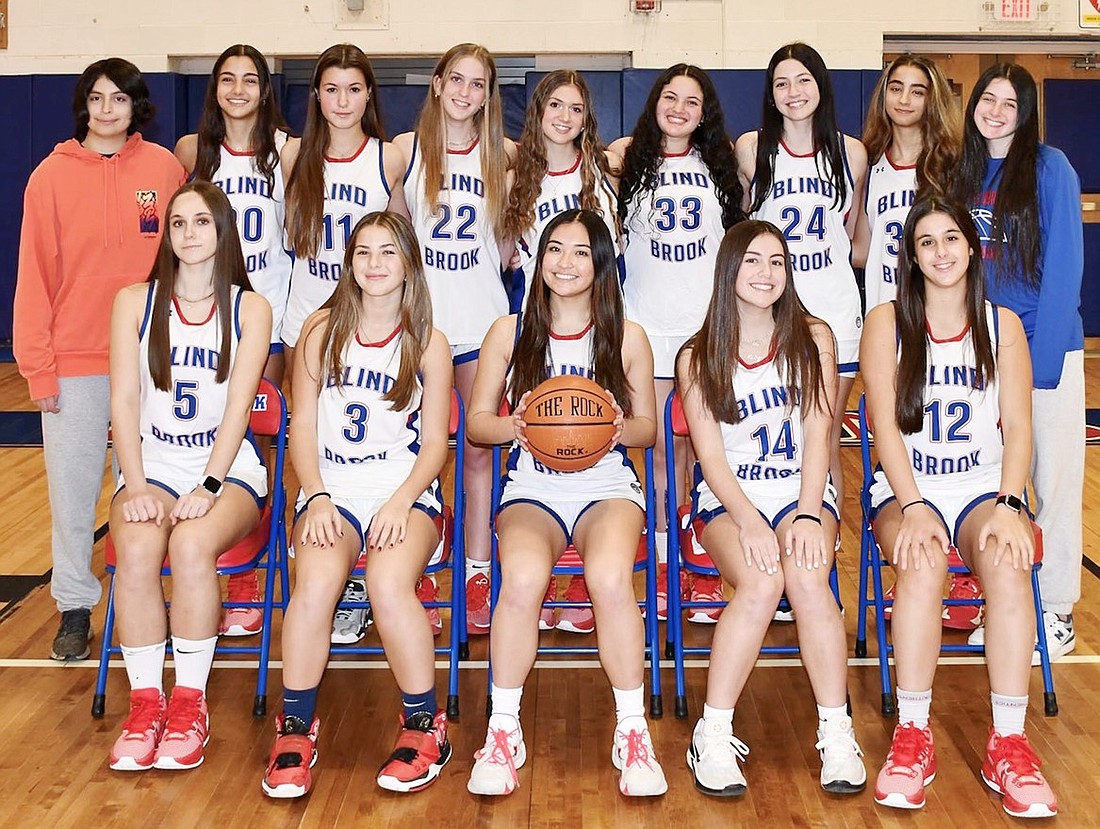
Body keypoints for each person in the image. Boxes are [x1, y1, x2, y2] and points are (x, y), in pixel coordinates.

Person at [862, 196, 1056, 818]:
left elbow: (1019, 428)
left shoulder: (1003, 327)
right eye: (926, 243)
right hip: (907, 486)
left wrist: (1009, 501)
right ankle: (913, 736)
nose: (941, 252)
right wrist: (913, 502)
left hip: (980, 487)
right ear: (912, 258)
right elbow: (886, 429)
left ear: (972, 248)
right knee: (921, 561)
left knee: (1006, 561)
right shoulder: (887, 323)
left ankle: (1009, 741)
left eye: (951, 239)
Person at [465, 209, 666, 797]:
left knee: (607, 578)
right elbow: (478, 423)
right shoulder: (510, 331)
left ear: (602, 263)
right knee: (522, 578)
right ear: (538, 258)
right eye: (555, 249)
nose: (566, 262)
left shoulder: (627, 335)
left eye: (582, 252)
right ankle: (502, 729)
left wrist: (608, 423)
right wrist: (517, 427)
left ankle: (633, 731)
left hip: (606, 485)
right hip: (533, 483)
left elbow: (648, 430)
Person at [261, 212, 453, 798]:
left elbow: (437, 444)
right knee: (315, 587)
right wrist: (314, 496)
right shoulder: (320, 332)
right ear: (349, 264)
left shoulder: (429, 342)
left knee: (388, 586)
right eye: (363, 252)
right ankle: (295, 726)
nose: (374, 263)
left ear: (408, 266)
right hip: (333, 490)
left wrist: (400, 502)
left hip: (404, 489)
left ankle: (426, 724)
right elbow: (301, 432)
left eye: (388, 252)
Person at [676, 220, 865, 797]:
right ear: (728, 269)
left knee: (808, 579)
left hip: (799, 491)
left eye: (777, 262)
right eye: (752, 261)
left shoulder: (816, 338)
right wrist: (751, 521)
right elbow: (708, 459)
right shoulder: (697, 353)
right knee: (761, 582)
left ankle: (836, 730)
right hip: (731, 498)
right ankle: (712, 733)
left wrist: (809, 512)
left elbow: (819, 435)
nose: (765, 273)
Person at [13, 57, 186, 661]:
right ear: (83, 106)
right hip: (75, 359)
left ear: (137, 106)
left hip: (149, 358)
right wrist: (39, 365)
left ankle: (144, 595)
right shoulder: (50, 176)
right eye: (96, 98)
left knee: (146, 482)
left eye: (119, 99)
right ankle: (75, 605)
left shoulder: (164, 169)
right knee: (73, 490)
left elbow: (182, 258)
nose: (107, 109)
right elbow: (33, 275)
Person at [106, 182, 271, 772]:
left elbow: (239, 409)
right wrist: (136, 483)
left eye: (202, 222)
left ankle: (189, 704)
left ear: (223, 230)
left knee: (193, 544)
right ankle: (146, 703)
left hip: (225, 472)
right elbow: (123, 401)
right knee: (135, 548)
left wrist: (207, 486)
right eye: (178, 223)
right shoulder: (135, 302)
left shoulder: (250, 308)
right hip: (151, 469)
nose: (189, 233)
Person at [953, 63, 1084, 661]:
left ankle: (1054, 610)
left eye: (1010, 102)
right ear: (974, 104)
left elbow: (1063, 268)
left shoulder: (1050, 168)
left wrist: (1045, 362)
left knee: (1052, 482)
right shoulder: (963, 172)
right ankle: (1005, 602)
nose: (997, 111)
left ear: (1025, 111)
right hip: (981, 351)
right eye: (988, 99)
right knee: (998, 484)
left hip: (1040, 346)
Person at [610, 64, 745, 623]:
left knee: (699, 449)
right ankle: (667, 562)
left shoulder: (722, 168)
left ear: (705, 113)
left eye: (693, 102)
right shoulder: (625, 161)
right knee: (661, 450)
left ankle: (696, 561)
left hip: (701, 331)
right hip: (643, 326)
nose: (680, 109)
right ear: (655, 103)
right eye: (671, 97)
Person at [392, 43, 517, 635]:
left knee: (476, 453)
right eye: (458, 80)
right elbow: (392, 241)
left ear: (489, 94)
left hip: (483, 326)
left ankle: (476, 571)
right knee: (409, 450)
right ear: (438, 84)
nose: (467, 92)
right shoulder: (406, 153)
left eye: (480, 84)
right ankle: (414, 561)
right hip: (420, 330)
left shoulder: (506, 158)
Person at [175, 43, 294, 638]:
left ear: (265, 89)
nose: (239, 89)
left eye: (251, 80)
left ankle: (248, 568)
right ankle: (208, 568)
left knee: (261, 435)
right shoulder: (191, 152)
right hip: (202, 311)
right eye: (228, 79)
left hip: (262, 311)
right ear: (215, 88)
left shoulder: (287, 151)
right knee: (211, 426)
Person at [855, 55, 977, 629]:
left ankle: (964, 557)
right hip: (890, 320)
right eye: (895, 88)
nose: (904, 99)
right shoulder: (870, 164)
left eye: (917, 90)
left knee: (969, 419)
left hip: (943, 320)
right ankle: (914, 533)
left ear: (933, 101)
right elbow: (859, 247)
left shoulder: (949, 167)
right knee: (896, 425)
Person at [503, 68, 622, 634]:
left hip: (590, 322)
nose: (566, 117)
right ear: (538, 111)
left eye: (577, 108)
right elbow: (503, 255)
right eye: (556, 105)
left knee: (588, 438)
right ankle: (531, 571)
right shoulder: (513, 175)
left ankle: (578, 582)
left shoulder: (603, 173)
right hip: (534, 327)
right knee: (532, 443)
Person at [737, 42, 868, 530]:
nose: (794, 92)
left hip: (834, 307)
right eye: (782, 83)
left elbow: (853, 237)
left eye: (803, 80)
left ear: (821, 86)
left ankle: (820, 551)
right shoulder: (752, 149)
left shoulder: (851, 153)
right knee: (774, 432)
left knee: (825, 435)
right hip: (771, 312)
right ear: (771, 94)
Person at [281, 44, 403, 363]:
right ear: (317, 95)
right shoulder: (294, 155)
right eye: (332, 89)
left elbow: (403, 246)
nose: (343, 101)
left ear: (368, 94)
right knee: (304, 412)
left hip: (367, 319)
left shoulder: (387, 158)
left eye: (354, 89)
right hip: (304, 314)